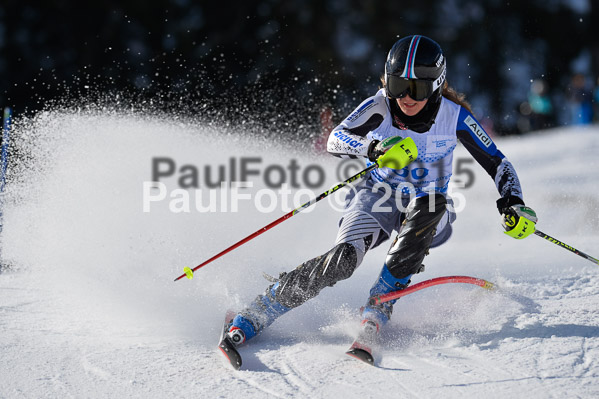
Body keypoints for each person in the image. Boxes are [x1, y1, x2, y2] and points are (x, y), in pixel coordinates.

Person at [220, 35, 538, 361]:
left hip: (427, 208)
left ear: (436, 85)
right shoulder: (380, 106)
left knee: (432, 205)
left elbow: (497, 162)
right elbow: (337, 139)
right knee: (343, 260)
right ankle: (263, 307)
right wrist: (374, 149)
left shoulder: (454, 116)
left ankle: (379, 305)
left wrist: (512, 201)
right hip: (377, 195)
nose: (406, 97)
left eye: (417, 89)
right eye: (399, 85)